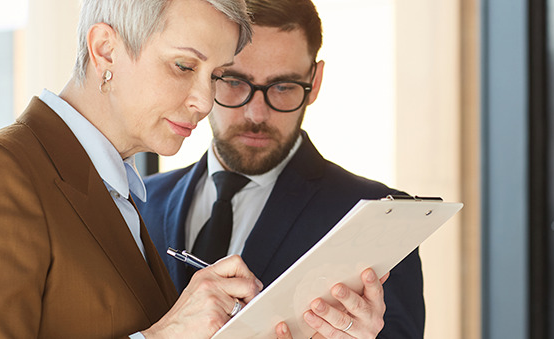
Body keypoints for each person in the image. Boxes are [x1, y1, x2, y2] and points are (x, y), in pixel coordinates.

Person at [0, 0, 262, 338]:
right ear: (105, 50)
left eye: (216, 76)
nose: (205, 101)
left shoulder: (116, 190)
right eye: (183, 66)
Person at [136, 0, 426, 337]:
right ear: (207, 75)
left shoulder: (380, 222)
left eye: (284, 87)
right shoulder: (137, 201)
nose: (257, 115)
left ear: (315, 82)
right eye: (235, 82)